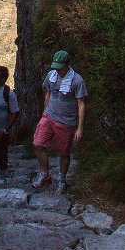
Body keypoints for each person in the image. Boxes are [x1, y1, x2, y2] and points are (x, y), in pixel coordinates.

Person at [33, 49, 87, 193]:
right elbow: (48, 92)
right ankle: (45, 174)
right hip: (49, 116)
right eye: (55, 66)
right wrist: (45, 112)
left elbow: (81, 103)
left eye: (60, 67)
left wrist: (79, 128)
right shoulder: (51, 75)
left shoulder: (77, 80)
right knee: (38, 144)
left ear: (67, 65)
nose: (57, 70)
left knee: (63, 152)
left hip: (66, 122)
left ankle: (62, 179)